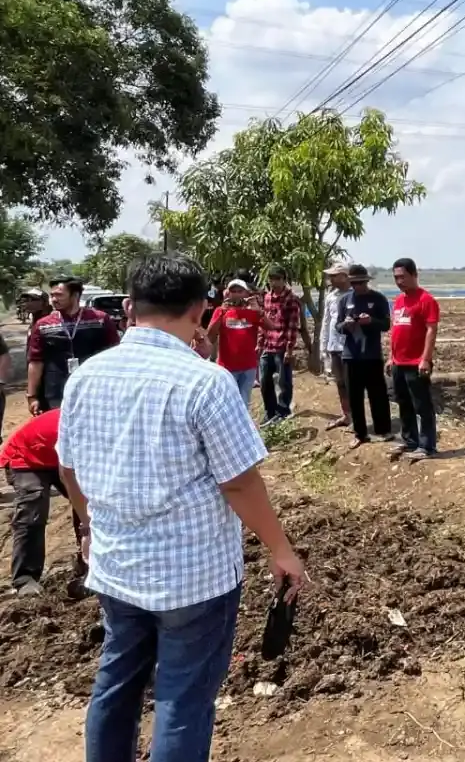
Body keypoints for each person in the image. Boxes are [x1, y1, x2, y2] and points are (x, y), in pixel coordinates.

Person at [56, 253, 307, 762]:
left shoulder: (86, 377)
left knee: (115, 684)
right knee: (183, 698)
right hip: (192, 577)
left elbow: (68, 468)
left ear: (130, 307)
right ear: (200, 310)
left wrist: (87, 526)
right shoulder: (205, 381)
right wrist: (282, 550)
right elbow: (239, 483)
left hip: (116, 566)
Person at [2, 408, 86, 596]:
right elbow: (68, 476)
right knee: (34, 504)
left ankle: (88, 567)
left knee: (91, 503)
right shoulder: (82, 425)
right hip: (28, 456)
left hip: (62, 458)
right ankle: (25, 578)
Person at [27, 276, 120, 414]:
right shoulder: (43, 325)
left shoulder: (100, 319)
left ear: (75, 295)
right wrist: (32, 396)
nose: (53, 299)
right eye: (52, 295)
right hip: (55, 393)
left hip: (94, 391)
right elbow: (35, 361)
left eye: (59, 295)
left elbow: (115, 355)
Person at [337, 264, 393, 449]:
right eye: (354, 283)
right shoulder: (345, 300)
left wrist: (371, 321)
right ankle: (360, 433)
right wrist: (346, 324)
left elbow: (386, 324)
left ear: (367, 281)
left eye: (361, 282)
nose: (358, 286)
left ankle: (383, 429)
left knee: (378, 393)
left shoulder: (378, 299)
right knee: (354, 395)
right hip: (351, 355)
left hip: (372, 355)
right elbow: (337, 326)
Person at [389, 258, 439, 459]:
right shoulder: (399, 300)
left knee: (422, 405)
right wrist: (390, 357)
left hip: (416, 363)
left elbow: (431, 330)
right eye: (396, 278)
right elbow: (396, 331)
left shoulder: (426, 300)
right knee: (404, 404)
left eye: (403, 277)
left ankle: (427, 446)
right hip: (398, 362)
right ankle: (410, 442)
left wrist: (425, 358)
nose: (399, 281)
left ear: (414, 275)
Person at [206, 278, 263, 406]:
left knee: (243, 402)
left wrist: (258, 310)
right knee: (228, 403)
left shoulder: (252, 312)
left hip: (248, 367)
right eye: (233, 291)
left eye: (240, 291)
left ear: (247, 294)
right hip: (227, 368)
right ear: (228, 294)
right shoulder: (220, 311)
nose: (237, 294)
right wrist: (221, 313)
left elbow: (269, 326)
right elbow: (210, 336)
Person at [258, 265, 301, 422]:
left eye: (278, 279)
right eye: (272, 279)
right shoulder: (267, 297)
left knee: (284, 382)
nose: (274, 282)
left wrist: (290, 349)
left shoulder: (291, 299)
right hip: (268, 345)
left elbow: (292, 325)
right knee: (264, 381)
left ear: (284, 280)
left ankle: (283, 411)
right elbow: (263, 321)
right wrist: (260, 342)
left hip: (282, 345)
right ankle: (270, 412)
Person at [318, 262, 354, 430]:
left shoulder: (356, 294)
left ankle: (357, 419)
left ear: (345, 276)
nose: (330, 279)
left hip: (351, 347)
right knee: (340, 383)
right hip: (334, 346)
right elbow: (326, 323)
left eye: (334, 275)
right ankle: (346, 415)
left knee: (352, 383)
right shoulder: (331, 296)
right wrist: (323, 346)